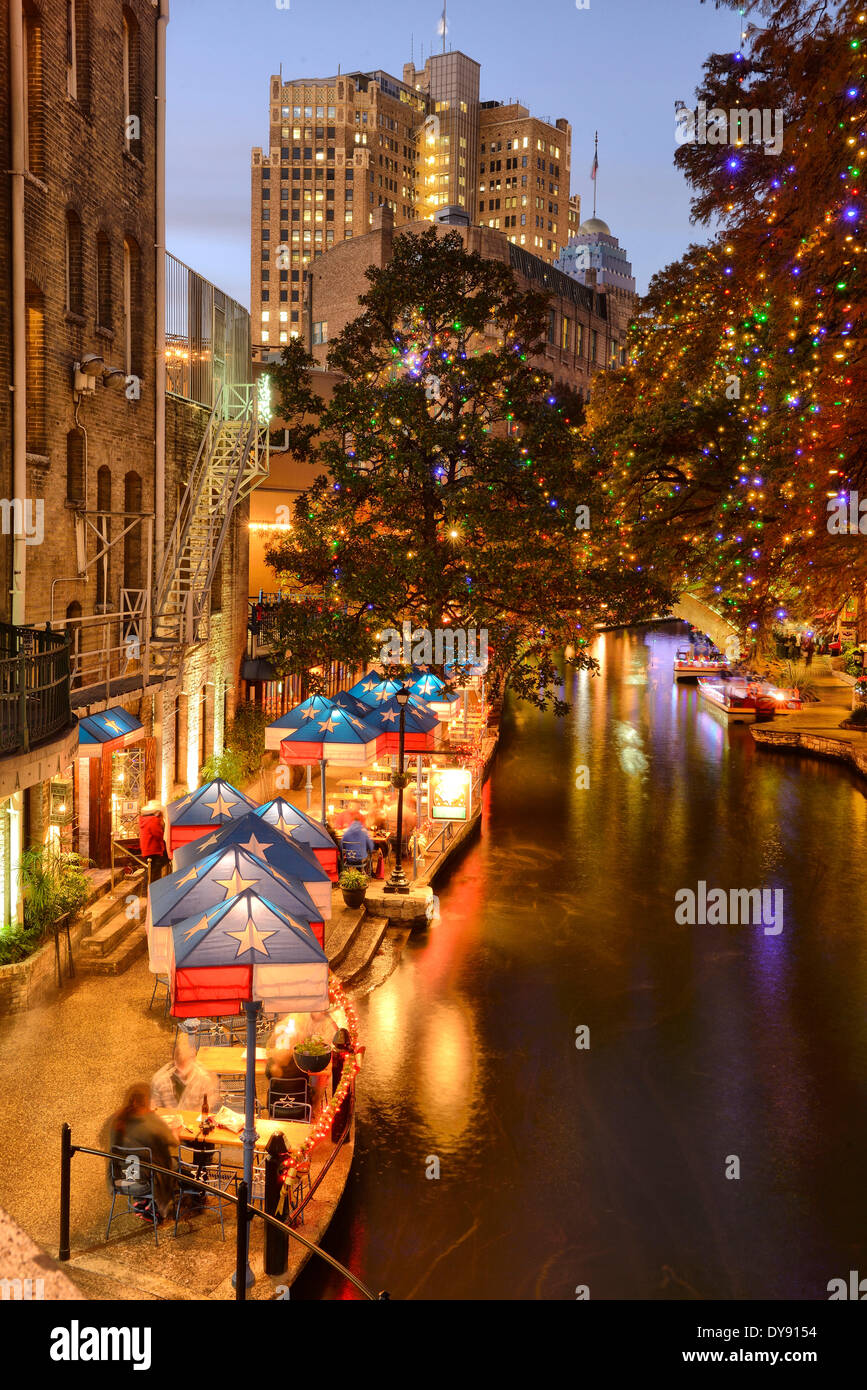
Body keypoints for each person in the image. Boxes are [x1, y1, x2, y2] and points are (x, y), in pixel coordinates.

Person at [108, 1083, 176, 1223]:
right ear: (147, 1102)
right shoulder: (150, 1124)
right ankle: (155, 1207)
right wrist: (175, 1129)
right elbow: (174, 1141)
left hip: (119, 1181)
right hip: (140, 1184)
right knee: (174, 1165)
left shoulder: (116, 1120)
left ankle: (143, 1202)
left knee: (139, 1161)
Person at [151, 1037, 217, 1112]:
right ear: (174, 1061)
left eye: (186, 1066)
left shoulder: (204, 1079)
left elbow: (207, 1106)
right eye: (179, 1067)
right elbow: (156, 1110)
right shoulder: (160, 1080)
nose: (182, 1073)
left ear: (193, 1060)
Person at [139, 800, 168, 883]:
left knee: (149, 871)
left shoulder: (144, 819)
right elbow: (158, 834)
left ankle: (146, 892)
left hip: (146, 848)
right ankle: (147, 892)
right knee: (154, 872)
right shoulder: (153, 820)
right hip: (154, 849)